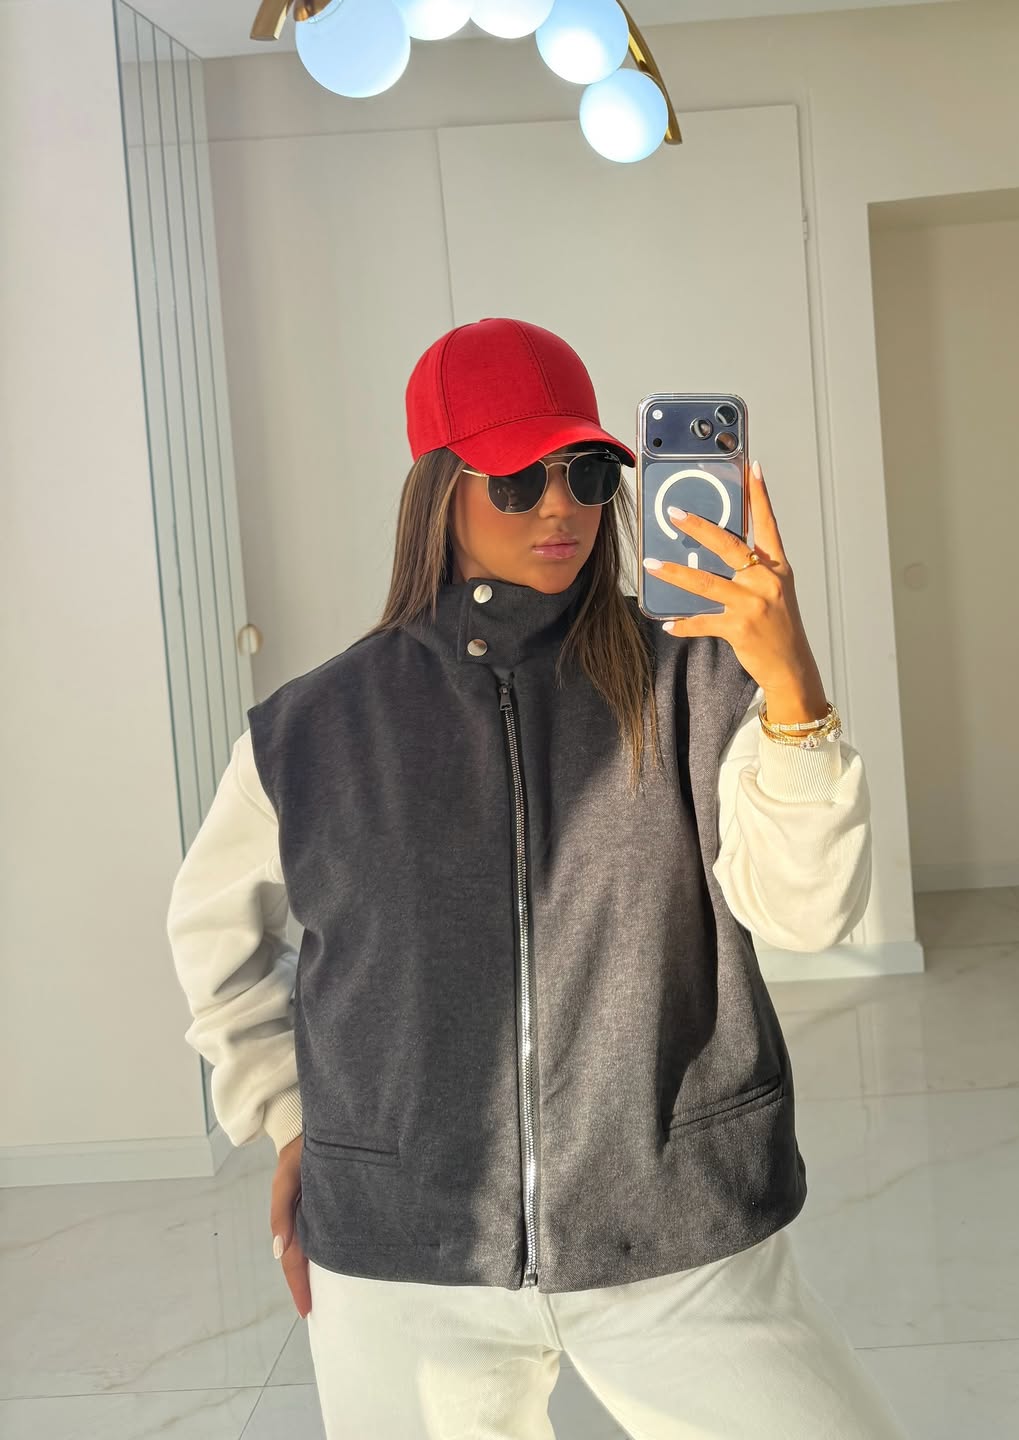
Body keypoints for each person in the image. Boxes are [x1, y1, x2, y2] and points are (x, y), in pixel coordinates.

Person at [167, 317, 909, 1438]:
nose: (560, 507)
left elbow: (809, 914)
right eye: (517, 479)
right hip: (407, 1255)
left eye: (588, 473)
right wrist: (286, 1118)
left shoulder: (698, 682)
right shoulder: (313, 729)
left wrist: (794, 691)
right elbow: (215, 945)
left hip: (675, 1222)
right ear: (439, 491)